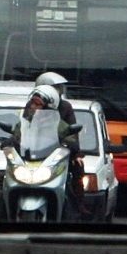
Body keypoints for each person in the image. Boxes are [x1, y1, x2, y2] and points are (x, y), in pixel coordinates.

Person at [35, 72, 89, 217]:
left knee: (78, 167)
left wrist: (75, 151)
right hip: (34, 151)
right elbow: (22, 126)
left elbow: (71, 130)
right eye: (55, 88)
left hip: (58, 150)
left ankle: (79, 204)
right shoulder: (33, 106)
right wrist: (12, 141)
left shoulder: (65, 107)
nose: (58, 91)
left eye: (59, 89)